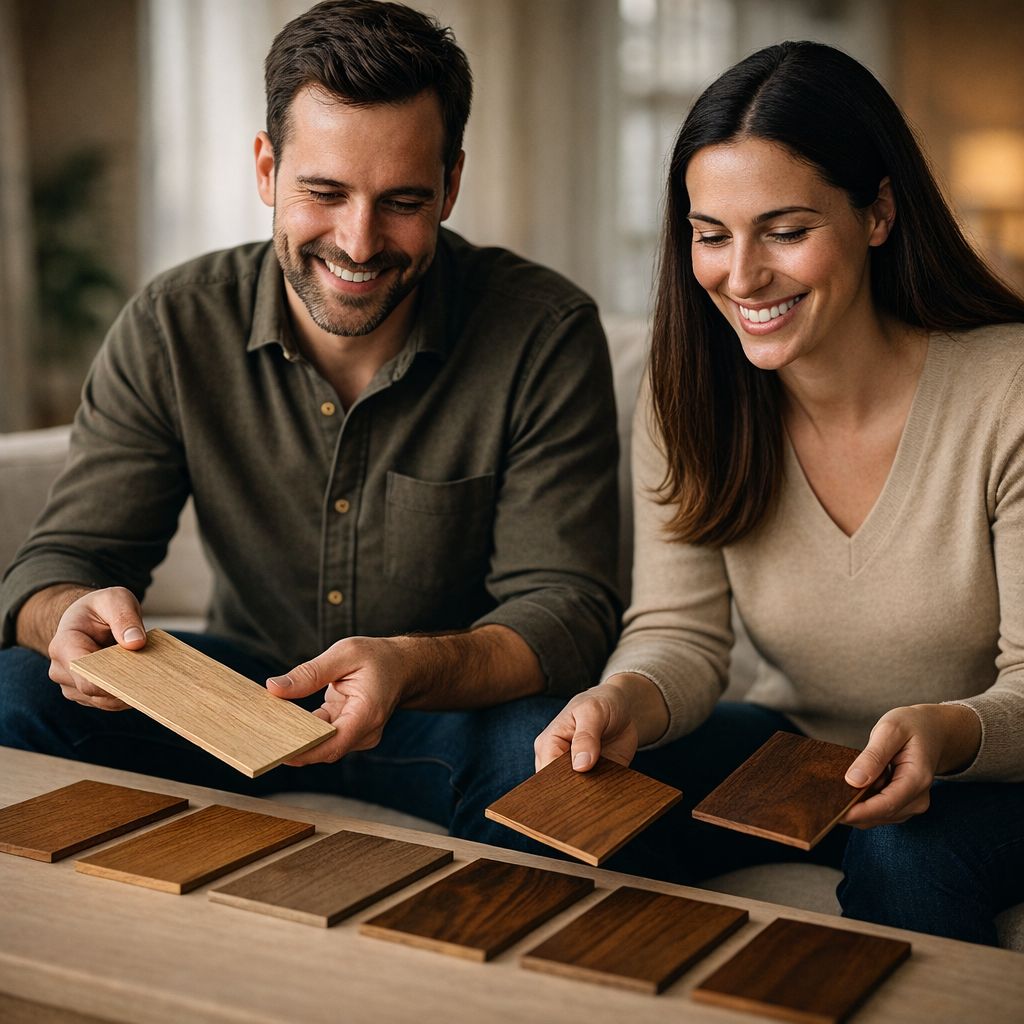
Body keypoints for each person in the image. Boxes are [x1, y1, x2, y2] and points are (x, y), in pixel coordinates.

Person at [0, 0, 620, 850]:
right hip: (237, 698)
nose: (359, 243)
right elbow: (63, 562)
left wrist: (409, 666)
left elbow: (568, 610)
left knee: (569, 780)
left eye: (402, 200)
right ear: (266, 169)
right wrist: (65, 616)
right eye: (324, 193)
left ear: (451, 184)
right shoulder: (175, 323)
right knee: (15, 692)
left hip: (445, 707)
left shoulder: (543, 331)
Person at [535, 40, 1024, 945]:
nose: (743, 275)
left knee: (905, 858)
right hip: (809, 749)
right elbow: (679, 633)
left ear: (877, 212)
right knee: (577, 808)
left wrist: (948, 732)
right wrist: (624, 697)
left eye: (787, 231)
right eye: (711, 235)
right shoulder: (688, 395)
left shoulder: (1008, 391)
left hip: (997, 770)